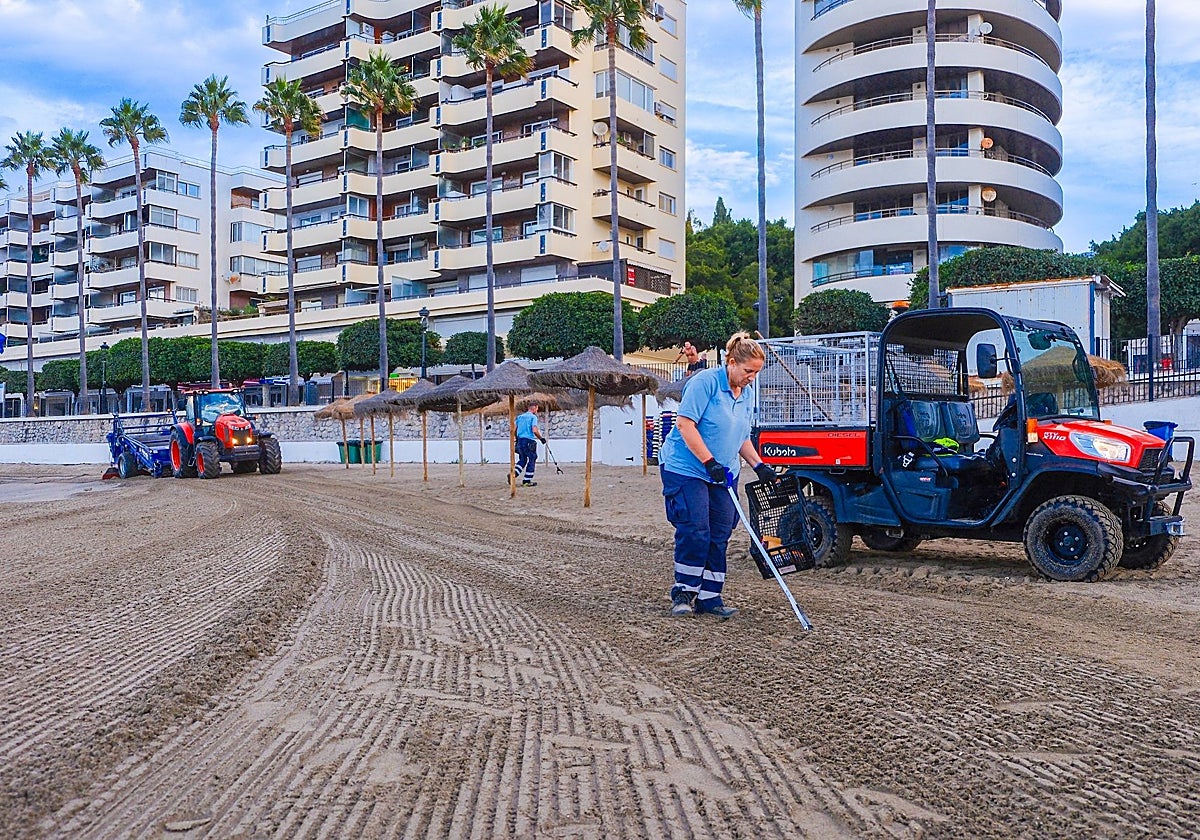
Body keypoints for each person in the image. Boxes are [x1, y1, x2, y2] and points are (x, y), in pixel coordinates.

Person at [658, 331, 777, 619]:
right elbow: (685, 425)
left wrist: (759, 465)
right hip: (687, 467)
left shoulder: (746, 394)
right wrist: (709, 461)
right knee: (695, 528)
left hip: (723, 473)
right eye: (748, 371)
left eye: (756, 373)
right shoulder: (705, 383)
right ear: (732, 363)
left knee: (720, 531)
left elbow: (740, 436)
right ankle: (684, 592)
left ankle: (710, 597)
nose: (752, 378)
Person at [514, 402, 547, 487]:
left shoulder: (519, 417)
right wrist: (541, 438)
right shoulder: (533, 417)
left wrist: (517, 439)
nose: (537, 410)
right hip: (529, 441)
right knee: (532, 458)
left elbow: (514, 430)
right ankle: (527, 480)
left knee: (523, 459)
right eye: (537, 408)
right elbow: (534, 430)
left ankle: (513, 474)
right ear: (535, 407)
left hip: (520, 440)